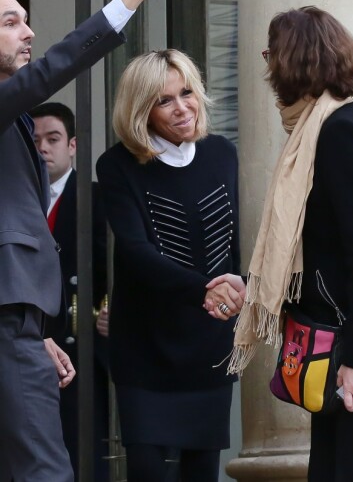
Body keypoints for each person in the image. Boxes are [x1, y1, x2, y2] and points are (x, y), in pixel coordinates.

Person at [217, 6, 353, 482]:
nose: (268, 68)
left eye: (271, 55)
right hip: (345, 347)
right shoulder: (328, 125)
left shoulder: (341, 131)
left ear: (293, 62)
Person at [0, 0, 184, 480]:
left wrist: (36, 334)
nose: (27, 32)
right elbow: (56, 67)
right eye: (9, 22)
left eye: (25, 21)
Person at [96, 49, 245, 482]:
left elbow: (232, 246)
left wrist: (237, 296)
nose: (182, 108)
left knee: (201, 472)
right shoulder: (118, 165)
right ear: (141, 110)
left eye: (187, 94)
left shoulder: (222, 154)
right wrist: (204, 290)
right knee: (146, 471)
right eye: (164, 100)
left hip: (210, 343)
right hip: (146, 347)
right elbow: (136, 252)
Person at [29, 102, 110, 481]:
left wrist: (110, 308)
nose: (43, 147)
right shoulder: (15, 200)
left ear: (73, 145)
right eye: (35, 140)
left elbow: (115, 267)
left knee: (81, 454)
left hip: (82, 349)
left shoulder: (96, 199)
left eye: (53, 138)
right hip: (26, 345)